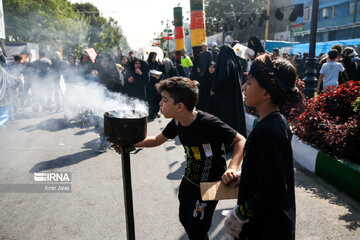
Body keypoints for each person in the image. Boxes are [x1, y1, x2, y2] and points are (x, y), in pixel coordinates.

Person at [116, 76, 246, 240]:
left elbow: (240, 140)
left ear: (180, 106)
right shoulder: (177, 123)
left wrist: (232, 168)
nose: (160, 104)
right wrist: (129, 143)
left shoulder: (208, 122)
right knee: (185, 220)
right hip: (188, 183)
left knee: (197, 229)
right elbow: (157, 140)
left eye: (164, 100)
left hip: (209, 186)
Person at [225, 54, 296, 240]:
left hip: (266, 230)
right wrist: (248, 176)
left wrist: (241, 214)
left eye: (249, 82)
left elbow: (273, 189)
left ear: (266, 93)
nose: (243, 87)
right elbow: (271, 171)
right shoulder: (277, 121)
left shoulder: (268, 131)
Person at [212, 44, 247, 138]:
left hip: (225, 97)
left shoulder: (225, 62)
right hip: (234, 96)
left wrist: (214, 88)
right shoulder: (234, 62)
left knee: (226, 118)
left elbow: (222, 78)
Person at [147, 52, 163, 119]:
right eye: (153, 57)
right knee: (151, 99)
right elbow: (146, 72)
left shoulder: (156, 63)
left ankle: (156, 112)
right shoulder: (147, 63)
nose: (154, 58)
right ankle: (151, 113)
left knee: (158, 98)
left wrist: (161, 65)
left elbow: (162, 71)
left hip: (157, 82)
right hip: (150, 83)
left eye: (155, 57)